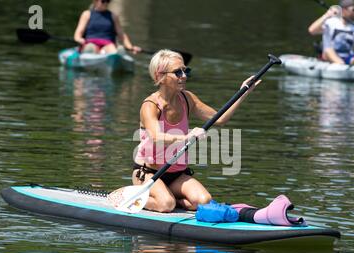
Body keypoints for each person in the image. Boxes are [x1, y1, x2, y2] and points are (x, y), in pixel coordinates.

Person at [133, 49, 260, 213]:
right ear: (160, 76)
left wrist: (242, 93)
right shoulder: (150, 105)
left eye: (186, 71)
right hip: (148, 173)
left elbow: (219, 119)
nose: (184, 76)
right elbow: (156, 136)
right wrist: (187, 136)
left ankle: (170, 198)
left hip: (177, 174)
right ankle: (138, 195)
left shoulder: (187, 99)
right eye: (178, 72)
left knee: (204, 201)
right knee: (166, 205)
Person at [74, 0, 141, 54]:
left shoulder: (113, 16)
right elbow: (78, 34)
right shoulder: (87, 14)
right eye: (103, 1)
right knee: (90, 48)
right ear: (95, 1)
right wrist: (79, 39)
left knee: (113, 49)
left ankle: (114, 55)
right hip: (91, 42)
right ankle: (93, 54)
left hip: (107, 43)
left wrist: (130, 47)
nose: (106, 3)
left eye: (108, 1)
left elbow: (121, 35)